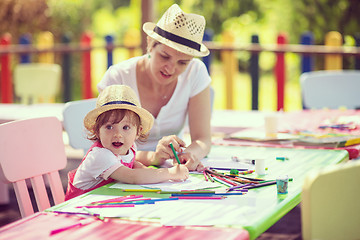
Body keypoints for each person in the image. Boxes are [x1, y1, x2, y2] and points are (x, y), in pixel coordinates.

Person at [97, 4, 211, 172]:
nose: (171, 69)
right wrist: (153, 158)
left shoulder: (196, 72)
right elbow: (107, 148)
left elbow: (203, 139)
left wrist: (190, 154)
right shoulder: (118, 77)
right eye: (165, 56)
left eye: (183, 63)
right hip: (123, 171)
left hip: (169, 173)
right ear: (150, 44)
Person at [65, 85, 189, 200]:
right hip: (79, 206)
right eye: (109, 127)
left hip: (102, 201)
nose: (118, 134)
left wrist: (147, 163)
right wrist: (171, 173)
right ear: (97, 131)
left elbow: (133, 158)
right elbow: (132, 177)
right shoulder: (100, 155)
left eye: (125, 128)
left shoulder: (128, 147)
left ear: (138, 131)